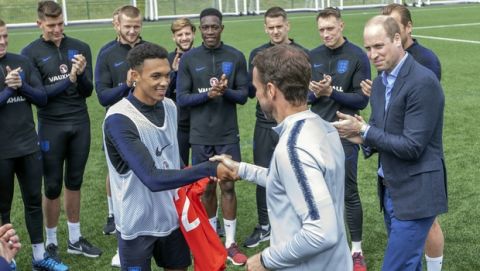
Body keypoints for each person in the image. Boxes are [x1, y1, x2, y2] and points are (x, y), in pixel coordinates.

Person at [211, 44, 352, 271]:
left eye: (256, 88)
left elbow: (321, 232)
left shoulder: (293, 148)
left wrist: (266, 260)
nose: (256, 95)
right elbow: (291, 182)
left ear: (271, 89)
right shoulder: (323, 127)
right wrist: (241, 169)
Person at [103, 42, 234, 271]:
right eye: (156, 76)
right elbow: (152, 178)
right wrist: (209, 169)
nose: (164, 82)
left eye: (167, 75)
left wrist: (196, 178)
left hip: (172, 218)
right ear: (134, 75)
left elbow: (173, 159)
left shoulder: (171, 107)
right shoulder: (119, 119)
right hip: (137, 225)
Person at [334, 15, 447, 271]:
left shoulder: (423, 82)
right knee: (410, 266)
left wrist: (365, 129)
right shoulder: (378, 83)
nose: (372, 55)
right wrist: (360, 137)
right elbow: (380, 132)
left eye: (378, 46)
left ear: (398, 40)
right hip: (391, 190)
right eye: (368, 48)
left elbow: (412, 146)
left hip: (417, 192)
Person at [21, 0, 102, 259]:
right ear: (39, 24)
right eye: (51, 25)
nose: (57, 30)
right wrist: (70, 78)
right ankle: (53, 242)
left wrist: (81, 75)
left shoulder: (80, 47)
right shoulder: (29, 53)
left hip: (79, 122)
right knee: (52, 185)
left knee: (75, 181)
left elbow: (88, 91)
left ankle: (75, 239)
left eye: (60, 24)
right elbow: (40, 96)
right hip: (50, 126)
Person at [176, 7, 249, 266]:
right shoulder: (189, 59)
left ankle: (230, 243)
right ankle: (211, 239)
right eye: (205, 27)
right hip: (200, 135)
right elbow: (182, 98)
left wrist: (225, 91)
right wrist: (208, 94)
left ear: (221, 28)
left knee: (228, 185)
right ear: (200, 28)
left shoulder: (235, 56)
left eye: (213, 27)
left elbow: (244, 95)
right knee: (206, 186)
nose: (209, 32)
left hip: (227, 133)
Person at [376, 6, 445, 270]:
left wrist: (369, 133)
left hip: (416, 171)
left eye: (394, 25)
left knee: (429, 224)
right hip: (392, 172)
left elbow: (416, 122)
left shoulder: (424, 63)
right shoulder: (385, 67)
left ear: (407, 28)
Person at [0, 19, 69, 271]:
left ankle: (40, 257)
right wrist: (8, 90)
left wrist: (22, 86)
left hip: (29, 146)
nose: (3, 41)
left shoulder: (22, 62)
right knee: (3, 208)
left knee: (32, 201)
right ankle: (5, 258)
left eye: (5, 36)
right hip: (1, 152)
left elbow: (42, 98)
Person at [308, 7, 371, 270]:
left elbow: (362, 99)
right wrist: (316, 93)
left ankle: (356, 250)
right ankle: (327, 243)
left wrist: (331, 92)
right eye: (321, 30)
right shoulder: (312, 56)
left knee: (348, 191)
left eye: (330, 28)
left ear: (341, 26)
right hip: (316, 132)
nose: (326, 34)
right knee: (318, 192)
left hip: (346, 132)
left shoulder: (357, 55)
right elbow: (306, 98)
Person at [244, 6, 309, 249]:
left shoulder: (301, 53)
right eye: (270, 27)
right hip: (264, 125)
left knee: (297, 174)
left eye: (279, 26)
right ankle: (264, 226)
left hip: (293, 125)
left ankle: (299, 222)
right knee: (263, 174)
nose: (275, 31)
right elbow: (251, 91)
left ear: (287, 25)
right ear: (265, 28)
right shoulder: (257, 53)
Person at [94, 5, 144, 267]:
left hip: (146, 123)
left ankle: (149, 233)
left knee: (146, 179)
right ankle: (123, 243)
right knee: (122, 182)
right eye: (128, 27)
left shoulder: (148, 51)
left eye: (137, 26)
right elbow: (102, 96)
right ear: (117, 26)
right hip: (117, 126)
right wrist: (126, 85)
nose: (133, 31)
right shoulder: (106, 54)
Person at [167, 17, 195, 166]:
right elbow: (162, 95)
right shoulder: (166, 60)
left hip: (200, 124)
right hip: (176, 125)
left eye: (187, 34)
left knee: (207, 174)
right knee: (178, 169)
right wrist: (174, 73)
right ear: (174, 37)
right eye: (180, 35)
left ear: (193, 34)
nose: (184, 38)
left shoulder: (201, 56)